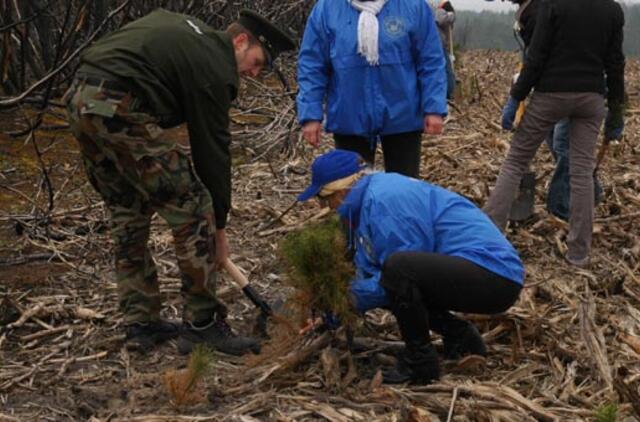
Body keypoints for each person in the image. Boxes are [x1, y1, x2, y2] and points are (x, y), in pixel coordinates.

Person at [65, 9, 295, 354]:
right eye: (257, 62)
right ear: (241, 40)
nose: (255, 73)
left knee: (128, 207)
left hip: (80, 100)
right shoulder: (215, 66)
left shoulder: (193, 36)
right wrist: (219, 227)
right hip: (116, 106)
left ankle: (141, 322)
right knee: (192, 205)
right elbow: (212, 151)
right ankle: (203, 323)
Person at [297, 150, 524, 384]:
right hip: (478, 273)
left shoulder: (385, 199)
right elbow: (376, 275)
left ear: (343, 189)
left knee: (398, 271)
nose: (323, 206)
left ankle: (421, 364)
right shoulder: (365, 206)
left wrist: (347, 300)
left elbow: (397, 272)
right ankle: (461, 337)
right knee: (393, 279)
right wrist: (334, 310)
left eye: (324, 197)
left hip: (495, 275)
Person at [486, 0, 625, 267]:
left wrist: (516, 97)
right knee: (582, 172)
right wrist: (616, 111)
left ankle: (490, 234)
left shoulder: (552, 4)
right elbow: (615, 63)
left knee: (516, 161)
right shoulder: (612, 9)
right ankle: (579, 253)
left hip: (551, 94)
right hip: (591, 98)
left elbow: (536, 56)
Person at [296, 0, 447, 178]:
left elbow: (431, 60)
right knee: (353, 190)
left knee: (403, 190)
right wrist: (310, 115)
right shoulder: (326, 9)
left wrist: (434, 108)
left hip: (403, 116)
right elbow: (312, 64)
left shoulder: (413, 6)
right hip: (349, 117)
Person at [501, 0, 603, 222]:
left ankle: (560, 206)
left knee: (562, 145)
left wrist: (517, 94)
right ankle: (592, 189)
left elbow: (539, 55)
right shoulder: (530, 10)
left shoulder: (544, 10)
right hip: (553, 86)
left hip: (568, 86)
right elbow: (531, 55)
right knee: (551, 138)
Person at [434, 0, 456, 100]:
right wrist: (451, 15)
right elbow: (441, 19)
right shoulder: (440, 10)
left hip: (440, 45)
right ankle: (448, 93)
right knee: (447, 70)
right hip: (438, 45)